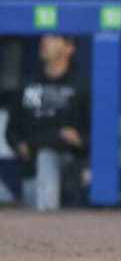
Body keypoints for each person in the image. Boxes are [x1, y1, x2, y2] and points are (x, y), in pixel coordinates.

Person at [4, 34, 90, 211]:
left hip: (69, 164)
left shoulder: (81, 85)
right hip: (31, 164)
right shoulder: (29, 84)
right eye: (44, 37)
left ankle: (47, 218)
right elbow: (11, 129)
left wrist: (81, 139)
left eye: (53, 37)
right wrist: (19, 145)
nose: (45, 41)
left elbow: (99, 132)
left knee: (46, 156)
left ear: (69, 48)